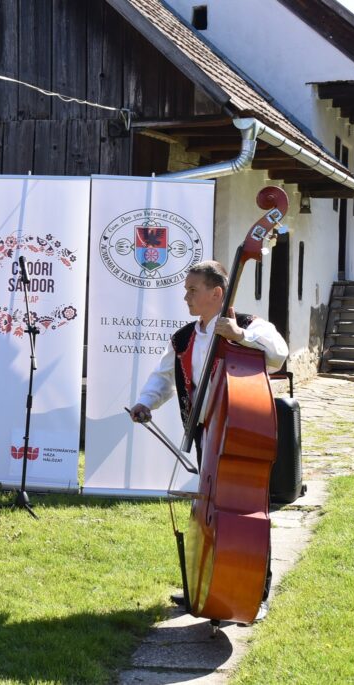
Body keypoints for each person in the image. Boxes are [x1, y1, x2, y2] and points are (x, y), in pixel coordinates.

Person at [129, 260, 288, 618]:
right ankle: (203, 583)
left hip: (239, 431)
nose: (185, 296)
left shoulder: (249, 325)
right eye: (186, 290)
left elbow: (279, 355)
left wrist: (240, 337)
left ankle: (253, 590)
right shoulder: (185, 336)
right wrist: (145, 401)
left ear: (217, 293)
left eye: (192, 290)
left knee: (245, 510)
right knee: (209, 508)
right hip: (207, 433)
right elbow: (164, 377)